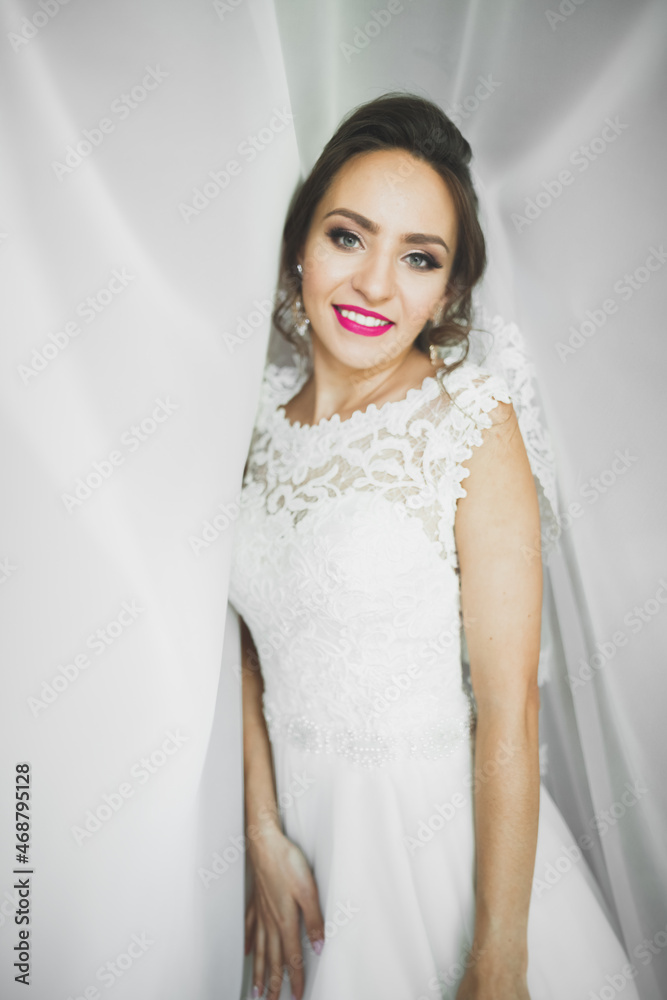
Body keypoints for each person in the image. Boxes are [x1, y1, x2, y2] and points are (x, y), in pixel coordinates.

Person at [228, 93, 640, 1000]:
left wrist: (498, 957)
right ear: (300, 240)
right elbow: (243, 645)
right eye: (348, 237)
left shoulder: (469, 424)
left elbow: (509, 711)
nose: (376, 285)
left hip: (436, 859)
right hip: (293, 867)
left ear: (448, 292)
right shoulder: (250, 417)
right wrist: (260, 826)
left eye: (418, 258)